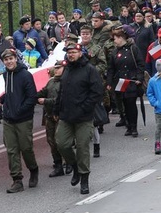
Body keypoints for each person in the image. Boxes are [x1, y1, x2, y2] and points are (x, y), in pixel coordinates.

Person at [56, 43, 104, 195]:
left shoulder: (90, 70)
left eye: (74, 52)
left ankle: (84, 178)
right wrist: (57, 108)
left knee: (82, 147)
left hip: (83, 117)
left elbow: (96, 92)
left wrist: (84, 108)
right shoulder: (67, 69)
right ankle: (74, 166)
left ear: (80, 53)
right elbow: (61, 91)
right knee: (62, 144)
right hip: (66, 115)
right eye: (69, 52)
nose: (71, 55)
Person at [0, 49, 38, 194]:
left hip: (23, 119)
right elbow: (10, 92)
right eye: (6, 60)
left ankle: (33, 169)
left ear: (16, 59)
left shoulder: (26, 75)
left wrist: (19, 111)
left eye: (11, 59)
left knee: (26, 148)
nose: (8, 62)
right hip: (8, 119)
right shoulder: (6, 75)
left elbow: (31, 97)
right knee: (12, 150)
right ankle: (17, 180)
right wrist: (1, 100)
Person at [107, 25, 144, 138]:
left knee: (131, 104)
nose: (114, 41)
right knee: (122, 104)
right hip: (119, 81)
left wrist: (139, 78)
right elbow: (111, 68)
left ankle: (134, 127)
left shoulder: (133, 49)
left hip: (131, 80)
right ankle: (127, 125)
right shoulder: (114, 52)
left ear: (121, 38)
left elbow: (140, 64)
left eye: (116, 38)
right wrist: (109, 83)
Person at [37, 61, 68, 177]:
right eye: (55, 68)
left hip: (61, 116)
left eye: (59, 68)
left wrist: (46, 101)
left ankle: (68, 161)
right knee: (52, 141)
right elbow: (43, 92)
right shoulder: (51, 81)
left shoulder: (66, 82)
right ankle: (58, 164)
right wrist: (34, 96)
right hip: (49, 115)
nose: (56, 70)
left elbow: (62, 100)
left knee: (62, 141)